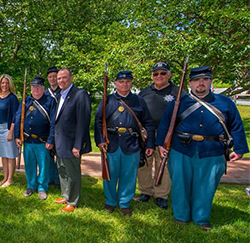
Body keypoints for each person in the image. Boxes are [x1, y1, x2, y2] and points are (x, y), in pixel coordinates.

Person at [156, 66, 248, 230]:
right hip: (181, 149)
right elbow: (166, 124)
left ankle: (201, 218)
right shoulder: (179, 103)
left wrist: (239, 148)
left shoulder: (224, 102)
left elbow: (236, 126)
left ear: (210, 82)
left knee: (206, 185)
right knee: (180, 184)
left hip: (212, 150)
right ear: (190, 83)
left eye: (205, 79)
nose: (201, 83)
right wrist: (161, 145)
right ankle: (181, 216)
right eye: (197, 80)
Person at [94, 70, 155, 217]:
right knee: (110, 174)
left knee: (129, 175)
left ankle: (124, 202)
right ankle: (110, 200)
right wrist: (100, 141)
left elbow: (148, 123)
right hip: (111, 143)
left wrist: (150, 144)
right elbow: (98, 121)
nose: (124, 84)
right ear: (115, 83)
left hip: (131, 142)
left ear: (131, 83)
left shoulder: (139, 101)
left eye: (127, 81)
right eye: (121, 82)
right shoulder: (107, 100)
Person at [136, 62, 180, 209]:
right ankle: (146, 191)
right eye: (156, 74)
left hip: (167, 134)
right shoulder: (144, 92)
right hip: (146, 134)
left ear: (169, 74)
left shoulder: (177, 92)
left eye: (163, 73)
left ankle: (161, 195)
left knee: (163, 164)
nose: (159, 76)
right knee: (144, 164)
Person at [52, 68, 92, 213]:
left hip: (71, 143)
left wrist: (78, 145)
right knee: (62, 170)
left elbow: (83, 121)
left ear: (71, 78)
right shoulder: (59, 95)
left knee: (72, 173)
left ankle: (73, 200)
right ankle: (65, 195)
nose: (61, 81)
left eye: (64, 78)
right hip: (60, 141)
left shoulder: (80, 95)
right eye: (59, 78)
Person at [15, 76, 56, 200]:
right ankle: (31, 186)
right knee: (29, 165)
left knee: (43, 166)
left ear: (43, 88)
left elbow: (54, 122)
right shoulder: (26, 101)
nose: (36, 89)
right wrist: (18, 135)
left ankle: (42, 188)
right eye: (33, 87)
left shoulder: (50, 101)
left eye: (38, 87)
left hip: (43, 141)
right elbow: (18, 118)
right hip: (28, 140)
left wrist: (51, 139)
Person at [0, 74, 19, 187]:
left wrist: (11, 132)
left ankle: (10, 179)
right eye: (3, 83)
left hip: (8, 128)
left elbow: (15, 116)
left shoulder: (12, 98)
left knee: (10, 155)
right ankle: (5, 177)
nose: (5, 85)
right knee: (3, 154)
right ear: (0, 84)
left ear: (10, 84)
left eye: (7, 83)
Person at [44, 66, 61, 188]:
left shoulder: (63, 92)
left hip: (60, 128)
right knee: (49, 155)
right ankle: (50, 178)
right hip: (48, 128)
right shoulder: (45, 93)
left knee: (60, 156)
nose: (53, 78)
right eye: (50, 77)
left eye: (55, 76)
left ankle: (59, 179)